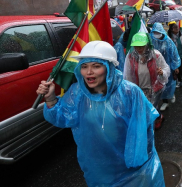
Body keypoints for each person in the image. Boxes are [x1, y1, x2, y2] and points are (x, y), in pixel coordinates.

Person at [36, 41, 165, 186]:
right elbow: (61, 118)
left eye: (96, 66)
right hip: (98, 170)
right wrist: (51, 98)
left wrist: (139, 166)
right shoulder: (77, 92)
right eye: (84, 66)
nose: (89, 72)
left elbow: (143, 133)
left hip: (132, 170)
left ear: (109, 67)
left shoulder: (129, 92)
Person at [124, 33, 170, 129]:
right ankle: (155, 120)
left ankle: (152, 125)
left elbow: (166, 68)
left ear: (147, 45)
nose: (139, 49)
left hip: (155, 88)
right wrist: (129, 90)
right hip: (139, 89)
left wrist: (162, 73)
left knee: (150, 108)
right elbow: (127, 75)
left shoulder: (156, 55)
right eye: (136, 46)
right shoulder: (130, 57)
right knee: (143, 109)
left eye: (141, 46)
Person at [150, 23, 181, 111]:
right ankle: (164, 100)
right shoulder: (152, 40)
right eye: (155, 32)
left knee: (169, 83)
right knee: (160, 84)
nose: (156, 33)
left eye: (158, 32)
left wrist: (175, 66)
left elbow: (174, 54)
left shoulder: (168, 41)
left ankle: (169, 96)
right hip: (156, 65)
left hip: (168, 65)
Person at [168, 21, 182, 87]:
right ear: (171, 29)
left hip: (181, 55)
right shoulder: (169, 37)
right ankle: (178, 81)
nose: (177, 28)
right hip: (174, 57)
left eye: (177, 27)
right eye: (175, 27)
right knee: (177, 69)